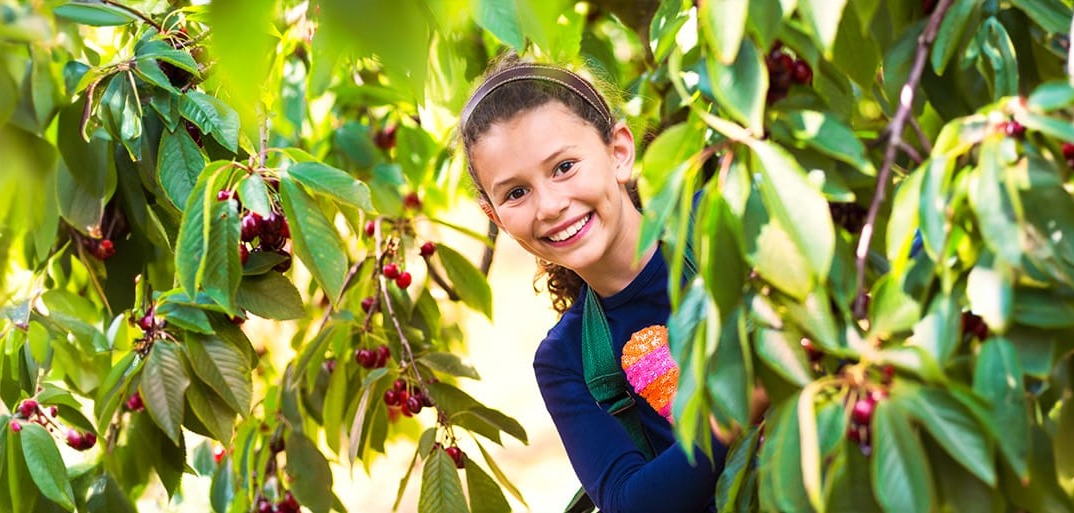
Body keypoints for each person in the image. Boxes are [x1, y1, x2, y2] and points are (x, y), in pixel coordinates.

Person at [459, 54, 727, 513]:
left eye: (564, 167)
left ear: (618, 150)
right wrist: (734, 414)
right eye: (516, 193)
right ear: (495, 216)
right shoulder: (566, 361)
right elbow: (629, 502)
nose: (549, 205)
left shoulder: (720, 222)